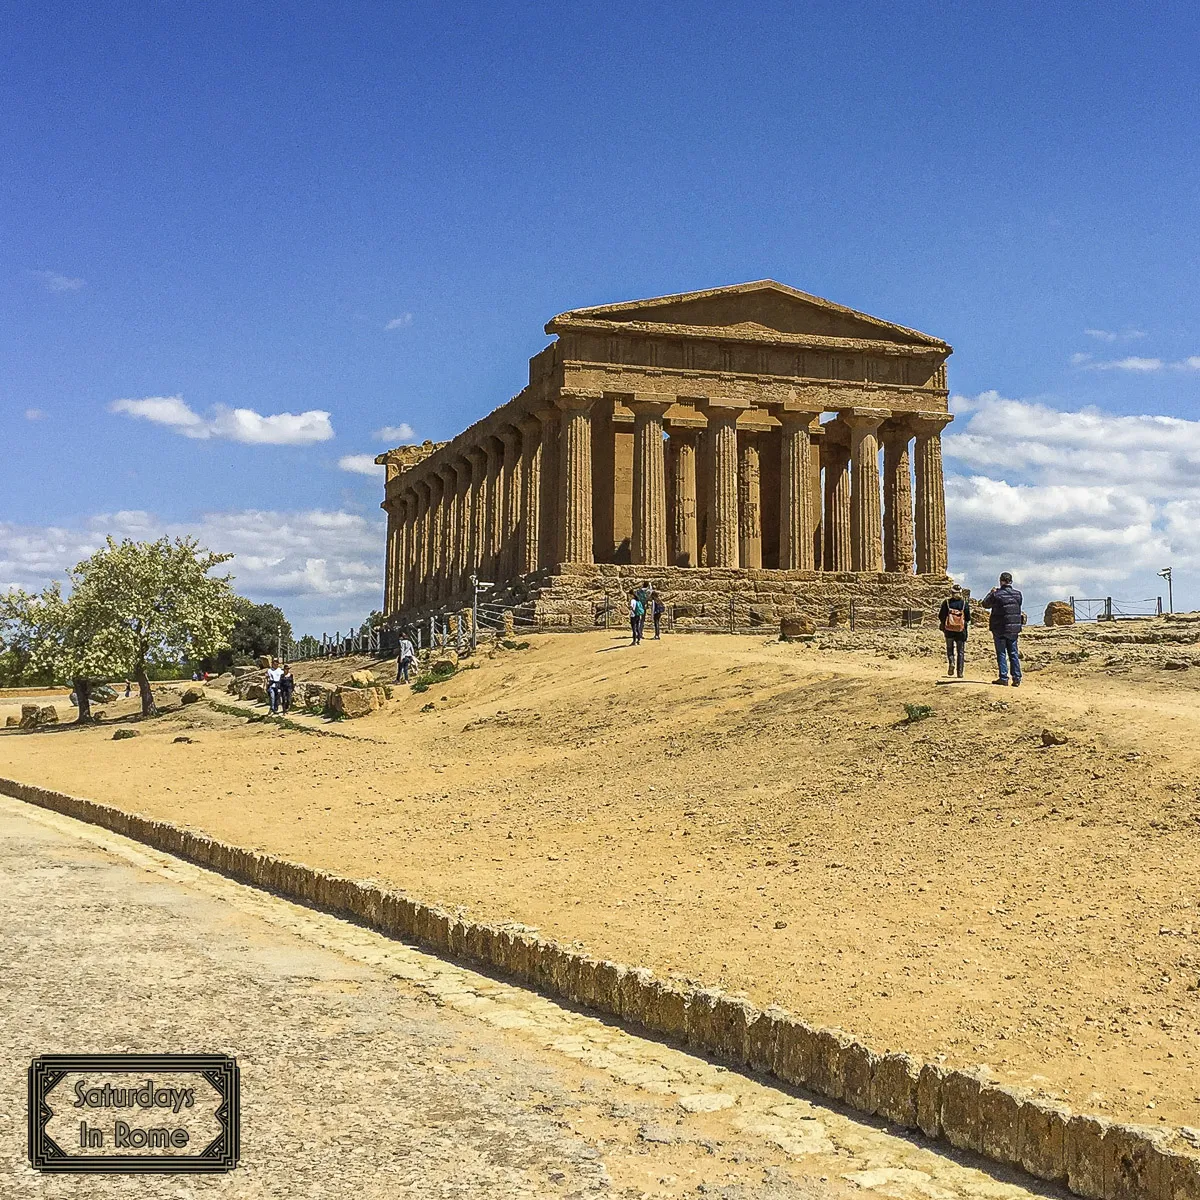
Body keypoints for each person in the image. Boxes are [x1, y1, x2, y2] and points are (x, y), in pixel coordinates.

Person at [981, 572, 1024, 687]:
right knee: (1013, 653)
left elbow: (985, 604)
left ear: (1001, 581)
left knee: (1001, 653)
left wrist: (991, 593)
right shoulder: (1018, 594)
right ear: (1011, 581)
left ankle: (1003, 677)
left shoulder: (997, 595)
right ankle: (1016, 677)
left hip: (999, 627)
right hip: (1014, 628)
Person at [938, 583, 971, 678]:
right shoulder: (964, 603)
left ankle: (951, 662)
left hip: (949, 630)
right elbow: (968, 618)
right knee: (960, 651)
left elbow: (941, 616)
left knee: (950, 648)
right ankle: (960, 672)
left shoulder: (947, 603)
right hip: (961, 631)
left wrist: (944, 624)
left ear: (951, 592)